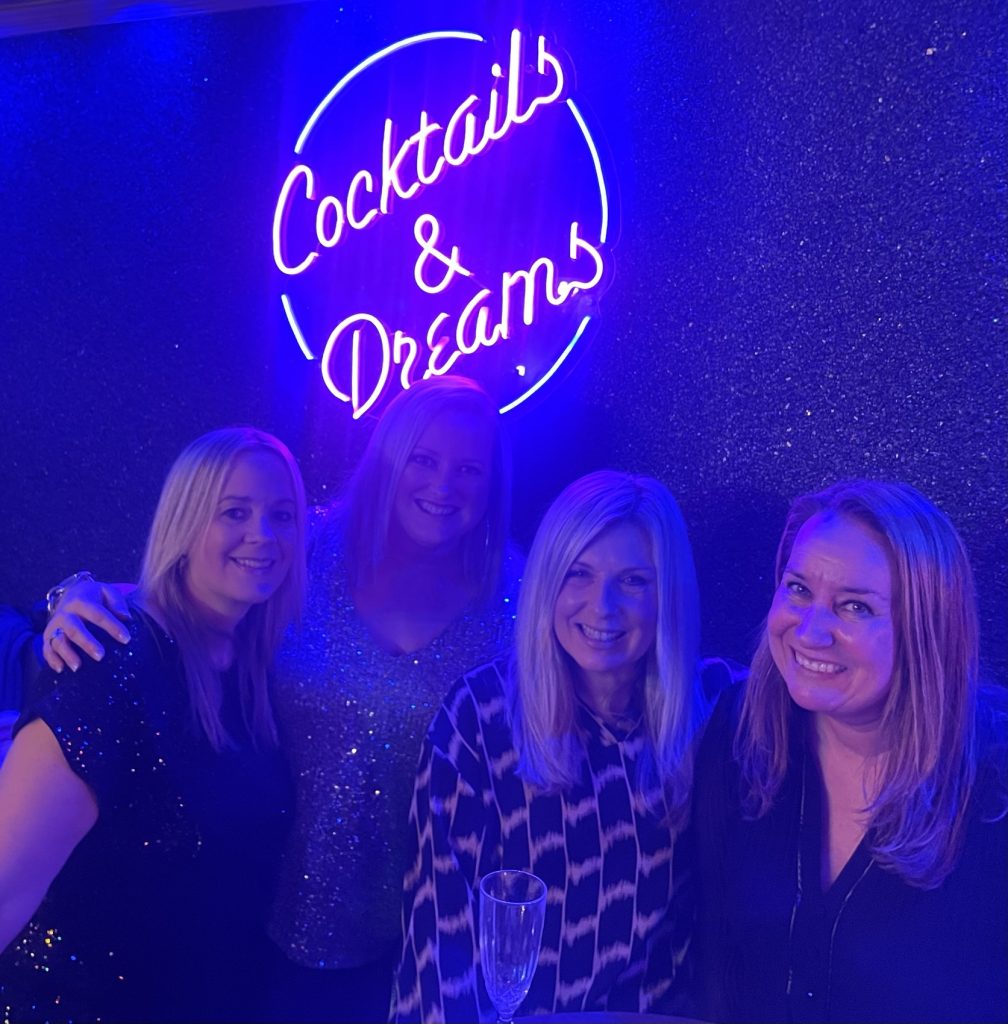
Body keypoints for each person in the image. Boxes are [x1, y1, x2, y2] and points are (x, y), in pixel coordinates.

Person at [36, 376, 521, 1022]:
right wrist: (74, 593)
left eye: (469, 470)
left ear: (492, 486)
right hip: (244, 913)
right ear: (387, 462)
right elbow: (182, 589)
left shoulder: (514, 603)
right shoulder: (305, 545)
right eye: (423, 460)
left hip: (410, 940)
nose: (443, 485)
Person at [394, 470, 726, 1022]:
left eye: (634, 581)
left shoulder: (717, 707)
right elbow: (438, 941)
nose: (602, 607)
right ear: (547, 581)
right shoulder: (480, 716)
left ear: (669, 594)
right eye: (579, 573)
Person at [0, 427, 307, 1022]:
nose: (263, 535)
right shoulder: (109, 662)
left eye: (282, 515)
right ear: (184, 523)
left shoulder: (252, 663)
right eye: (235, 512)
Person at [691, 479, 1008, 1024]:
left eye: (855, 606)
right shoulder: (738, 730)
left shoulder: (994, 781)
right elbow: (712, 960)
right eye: (797, 589)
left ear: (926, 630)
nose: (811, 631)